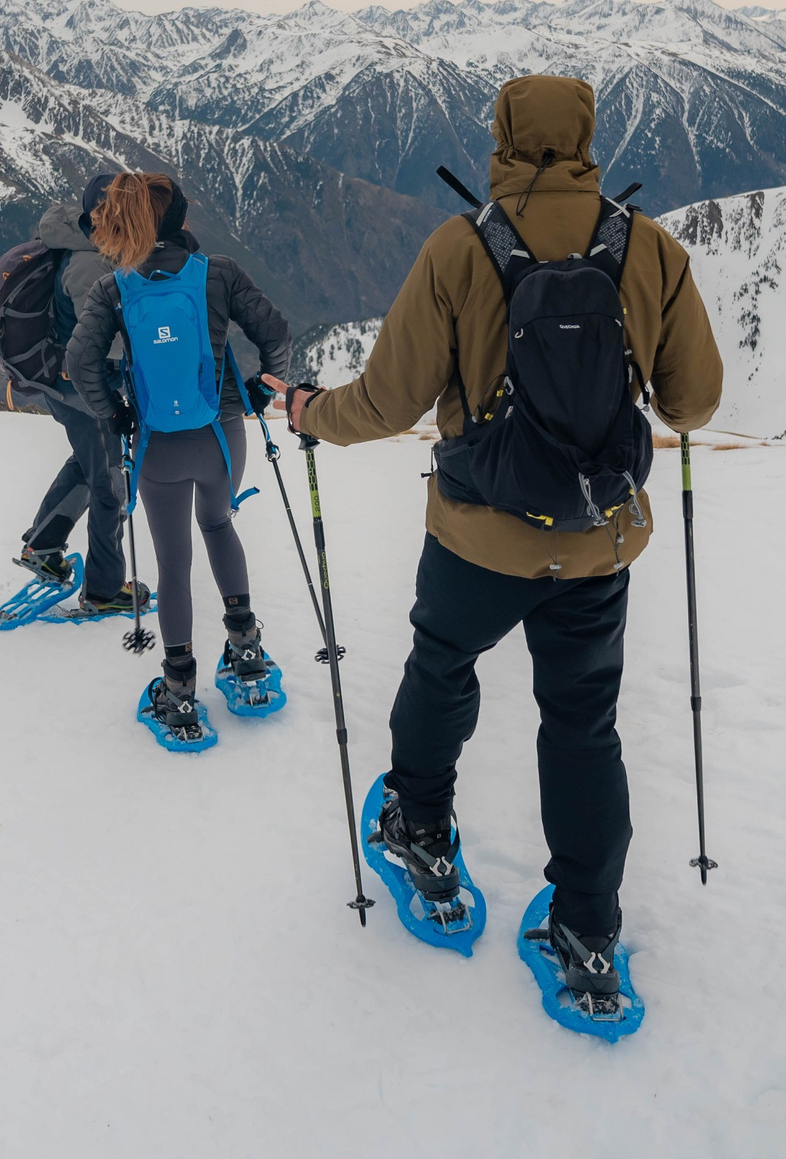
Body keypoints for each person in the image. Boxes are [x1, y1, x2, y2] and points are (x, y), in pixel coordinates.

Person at [267, 74, 721, 1014]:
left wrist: (311, 412)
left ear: (504, 138)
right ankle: (588, 928)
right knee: (583, 722)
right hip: (596, 543)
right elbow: (693, 401)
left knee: (441, 668)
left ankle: (421, 833)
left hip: (477, 535)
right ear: (591, 134)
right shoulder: (650, 251)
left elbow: (388, 403)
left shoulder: (459, 250)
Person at [65, 171, 293, 746]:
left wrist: (115, 415)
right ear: (179, 221)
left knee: (173, 564)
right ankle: (245, 652)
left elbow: (80, 361)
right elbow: (277, 333)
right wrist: (262, 390)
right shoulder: (218, 274)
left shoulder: (114, 289)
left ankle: (180, 688)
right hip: (222, 435)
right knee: (218, 525)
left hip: (158, 446)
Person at [12, 178, 137, 614]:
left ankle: (42, 546)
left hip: (67, 385)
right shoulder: (88, 266)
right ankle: (105, 590)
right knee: (109, 486)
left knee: (90, 464)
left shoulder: (84, 246)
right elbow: (97, 339)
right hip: (85, 385)